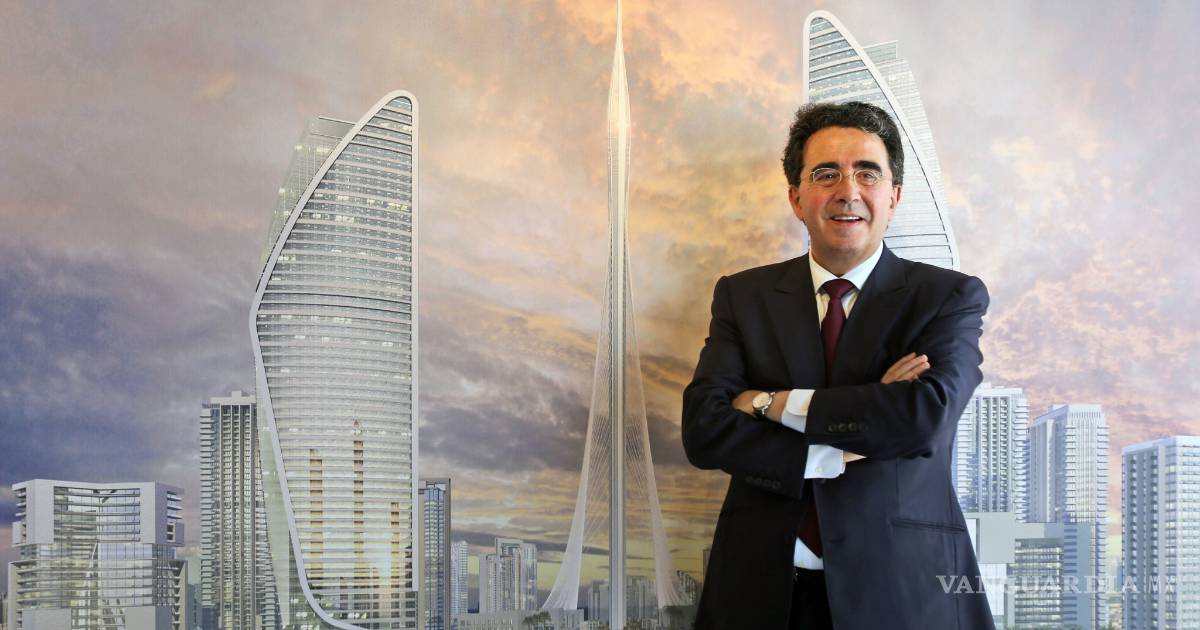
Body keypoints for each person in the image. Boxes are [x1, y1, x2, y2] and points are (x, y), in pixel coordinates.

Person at [682, 101, 995, 630]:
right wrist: (849, 436)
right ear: (796, 197)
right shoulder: (743, 296)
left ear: (894, 196)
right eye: (826, 174)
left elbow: (923, 417)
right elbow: (704, 430)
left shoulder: (947, 297)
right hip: (759, 589)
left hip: (902, 591)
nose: (848, 191)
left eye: (867, 173)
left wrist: (768, 403)